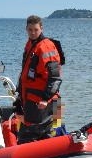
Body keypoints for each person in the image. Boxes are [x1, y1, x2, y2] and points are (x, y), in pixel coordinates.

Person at [15, 15, 63, 143]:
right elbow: (26, 73)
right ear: (26, 29)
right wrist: (19, 95)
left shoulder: (46, 46)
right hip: (32, 99)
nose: (33, 32)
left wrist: (45, 99)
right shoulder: (31, 44)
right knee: (37, 137)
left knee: (29, 138)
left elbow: (55, 77)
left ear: (41, 28)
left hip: (43, 102)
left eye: (35, 30)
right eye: (30, 30)